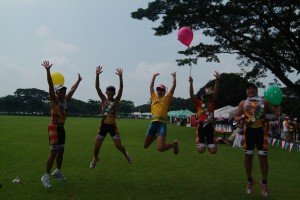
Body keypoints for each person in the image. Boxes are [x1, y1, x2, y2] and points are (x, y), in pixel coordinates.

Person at [41, 60, 82, 188]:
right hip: (53, 126)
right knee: (53, 152)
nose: (63, 92)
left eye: (63, 91)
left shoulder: (65, 100)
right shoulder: (54, 100)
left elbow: (72, 90)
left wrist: (79, 81)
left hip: (61, 128)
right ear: (56, 92)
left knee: (61, 151)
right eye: (60, 91)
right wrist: (48, 70)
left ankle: (57, 171)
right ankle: (45, 176)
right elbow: (49, 84)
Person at [235, 82, 280, 197]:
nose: (251, 90)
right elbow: (236, 116)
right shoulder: (242, 103)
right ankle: (250, 181)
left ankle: (264, 183)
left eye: (253, 88)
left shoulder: (264, 101)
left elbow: (276, 112)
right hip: (249, 132)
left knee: (263, 158)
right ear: (246, 91)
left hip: (262, 131)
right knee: (248, 157)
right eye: (249, 88)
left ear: (256, 90)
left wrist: (278, 108)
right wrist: (241, 118)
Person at [90, 66, 132, 168]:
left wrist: (121, 77)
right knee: (96, 147)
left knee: (119, 146)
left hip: (113, 126)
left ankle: (126, 154)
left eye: (112, 91)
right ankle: (95, 158)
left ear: (114, 93)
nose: (110, 92)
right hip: (103, 125)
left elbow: (121, 88)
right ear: (106, 92)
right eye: (108, 91)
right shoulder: (103, 99)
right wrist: (97, 75)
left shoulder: (116, 101)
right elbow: (97, 88)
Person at [143, 72, 179, 154]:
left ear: (164, 91)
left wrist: (174, 77)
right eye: (158, 89)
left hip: (162, 124)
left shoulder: (167, 98)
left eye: (162, 90)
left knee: (160, 148)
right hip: (153, 123)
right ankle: (156, 136)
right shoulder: (154, 98)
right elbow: (151, 87)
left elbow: (173, 87)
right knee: (145, 146)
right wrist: (153, 76)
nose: (159, 91)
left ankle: (174, 145)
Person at [188, 71, 220, 154]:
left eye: (209, 96)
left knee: (213, 151)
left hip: (210, 126)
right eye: (205, 97)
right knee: (201, 150)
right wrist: (191, 83)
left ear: (211, 97)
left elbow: (216, 92)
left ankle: (213, 141)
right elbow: (191, 95)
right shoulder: (198, 103)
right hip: (201, 126)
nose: (207, 99)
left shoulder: (212, 103)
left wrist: (217, 81)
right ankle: (198, 140)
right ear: (202, 97)